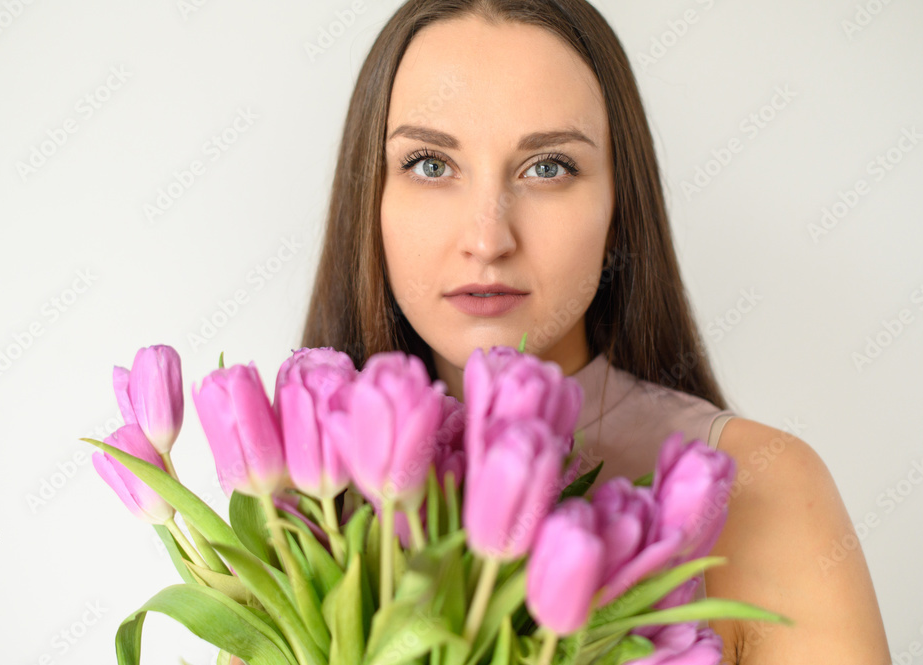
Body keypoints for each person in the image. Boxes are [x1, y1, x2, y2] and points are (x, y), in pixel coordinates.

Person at [297, 0, 891, 661]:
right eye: (431, 164)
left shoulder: (763, 488)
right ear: (369, 199)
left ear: (619, 203)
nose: (488, 238)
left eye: (547, 166)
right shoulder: (299, 523)